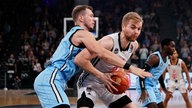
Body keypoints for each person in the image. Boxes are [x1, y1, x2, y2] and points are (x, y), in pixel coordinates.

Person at [34, 5, 151, 108]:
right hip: (54, 77)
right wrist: (131, 68)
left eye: (139, 29)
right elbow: (101, 53)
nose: (94, 19)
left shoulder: (133, 45)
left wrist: (121, 70)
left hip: (62, 79)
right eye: (90, 16)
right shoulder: (84, 34)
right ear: (81, 18)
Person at [75, 12, 147, 108]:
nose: (136, 32)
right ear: (123, 27)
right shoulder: (108, 42)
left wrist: (121, 77)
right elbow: (79, 59)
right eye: (133, 27)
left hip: (110, 84)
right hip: (90, 82)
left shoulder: (134, 45)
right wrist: (101, 76)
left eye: (139, 29)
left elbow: (120, 65)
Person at [136, 38, 176, 108]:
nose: (174, 49)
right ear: (165, 46)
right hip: (144, 84)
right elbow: (141, 73)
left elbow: (159, 75)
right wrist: (143, 90)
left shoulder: (166, 59)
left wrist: (165, 90)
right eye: (172, 46)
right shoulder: (155, 58)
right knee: (153, 106)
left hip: (153, 86)